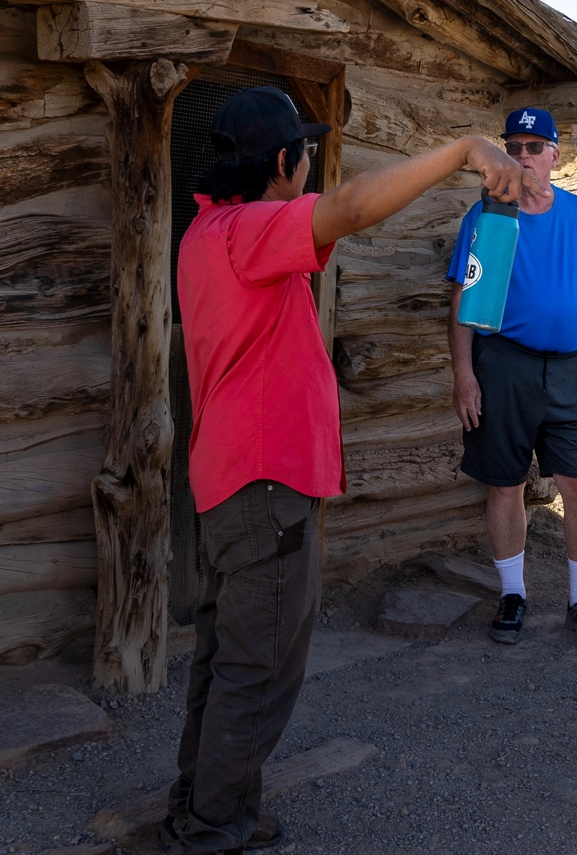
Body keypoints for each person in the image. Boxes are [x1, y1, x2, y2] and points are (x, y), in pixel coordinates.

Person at [166, 86, 538, 855]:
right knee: (257, 668)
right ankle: (210, 830)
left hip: (237, 481)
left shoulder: (210, 231)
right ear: (282, 161)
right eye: (304, 151)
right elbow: (356, 208)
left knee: (229, 659)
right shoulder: (248, 230)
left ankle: (207, 805)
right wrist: (466, 148)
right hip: (264, 484)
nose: (310, 166)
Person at [447, 107, 577, 646]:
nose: (523, 156)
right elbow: (463, 298)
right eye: (514, 147)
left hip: (569, 368)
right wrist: (464, 374)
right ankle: (512, 594)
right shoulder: (490, 218)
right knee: (505, 485)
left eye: (534, 146)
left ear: (555, 155)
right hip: (503, 364)